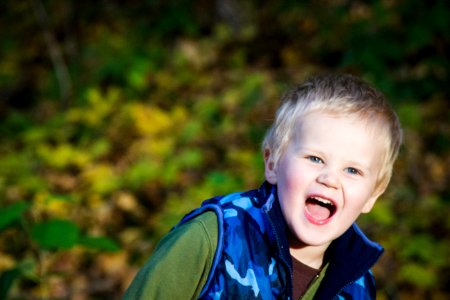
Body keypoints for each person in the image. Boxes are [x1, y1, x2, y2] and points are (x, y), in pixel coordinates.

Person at [123, 73, 403, 299]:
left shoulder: (357, 284)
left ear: (373, 195)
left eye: (352, 170)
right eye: (315, 158)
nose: (330, 179)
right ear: (272, 164)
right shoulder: (212, 239)